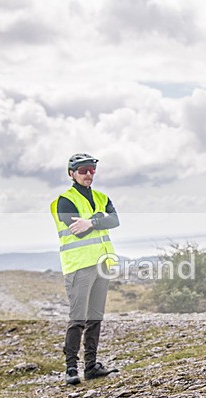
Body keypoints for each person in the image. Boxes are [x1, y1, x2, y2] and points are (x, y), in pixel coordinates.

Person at [50, 153, 120, 385]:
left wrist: (91, 221)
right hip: (79, 266)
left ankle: (90, 366)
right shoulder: (64, 200)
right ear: (71, 173)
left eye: (91, 169)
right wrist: (99, 219)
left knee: (95, 317)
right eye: (83, 170)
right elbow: (77, 229)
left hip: (101, 264)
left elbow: (115, 220)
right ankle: (71, 368)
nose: (88, 174)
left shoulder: (101, 197)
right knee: (78, 318)